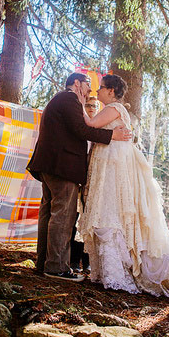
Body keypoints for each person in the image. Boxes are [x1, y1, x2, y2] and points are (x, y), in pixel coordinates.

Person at [78, 74, 169, 303]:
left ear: (110, 91)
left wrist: (78, 100)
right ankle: (108, 272)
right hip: (109, 164)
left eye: (101, 89)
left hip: (112, 167)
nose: (97, 93)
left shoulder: (114, 108)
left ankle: (116, 274)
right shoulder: (114, 109)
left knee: (109, 213)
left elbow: (89, 124)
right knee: (108, 212)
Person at [27, 72, 132, 282]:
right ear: (77, 83)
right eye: (87, 85)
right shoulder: (69, 98)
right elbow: (80, 129)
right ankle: (56, 267)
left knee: (48, 214)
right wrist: (112, 135)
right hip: (61, 167)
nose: (90, 91)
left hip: (52, 165)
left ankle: (44, 263)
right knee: (63, 216)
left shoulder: (62, 99)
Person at [70, 96, 100, 273]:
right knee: (75, 221)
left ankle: (87, 262)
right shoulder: (80, 128)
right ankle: (73, 260)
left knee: (91, 221)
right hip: (78, 180)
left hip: (94, 183)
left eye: (94, 106)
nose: (91, 108)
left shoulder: (98, 130)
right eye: (87, 105)